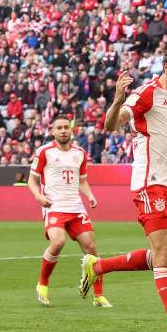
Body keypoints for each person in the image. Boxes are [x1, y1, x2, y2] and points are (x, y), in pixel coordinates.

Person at [80, 43, 167, 332]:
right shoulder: (144, 94)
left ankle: (98, 267)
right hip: (149, 184)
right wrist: (116, 102)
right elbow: (111, 124)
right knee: (164, 257)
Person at [28, 115, 111, 308]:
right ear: (53, 131)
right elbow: (31, 180)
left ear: (71, 130)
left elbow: (81, 181)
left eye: (66, 127)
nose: (63, 130)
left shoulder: (80, 153)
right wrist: (38, 197)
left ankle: (98, 296)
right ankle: (43, 283)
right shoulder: (44, 152)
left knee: (91, 249)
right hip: (54, 205)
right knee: (58, 241)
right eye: (59, 128)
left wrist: (89, 195)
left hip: (75, 207)